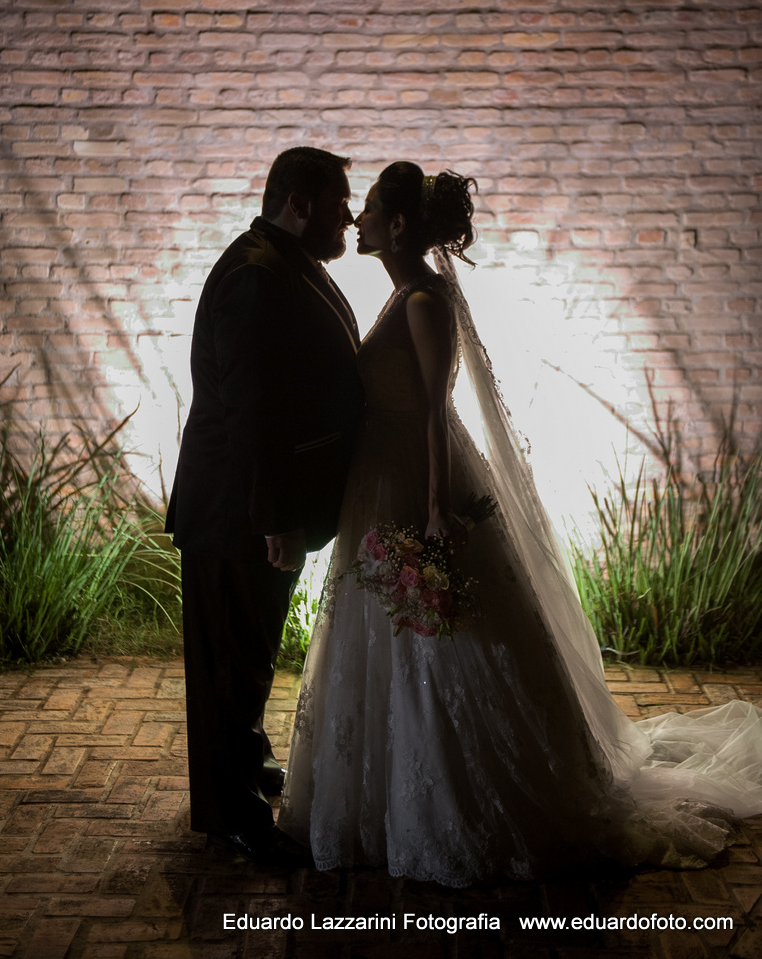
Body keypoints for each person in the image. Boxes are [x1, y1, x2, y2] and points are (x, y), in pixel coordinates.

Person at [279, 160, 762, 886]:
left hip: (411, 481)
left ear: (401, 224)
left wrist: (437, 506)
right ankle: (379, 802)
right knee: (386, 639)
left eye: (370, 206)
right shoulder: (400, 296)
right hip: (376, 481)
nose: (357, 218)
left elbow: (438, 415)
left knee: (442, 639)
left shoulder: (422, 301)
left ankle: (465, 799)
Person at [166, 146, 365, 866]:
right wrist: (274, 516)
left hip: (250, 505)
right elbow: (252, 410)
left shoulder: (284, 263)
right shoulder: (256, 276)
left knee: (247, 658)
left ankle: (243, 767)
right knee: (228, 664)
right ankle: (230, 815)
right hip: (235, 510)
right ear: (300, 204)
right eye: (341, 201)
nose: (349, 214)